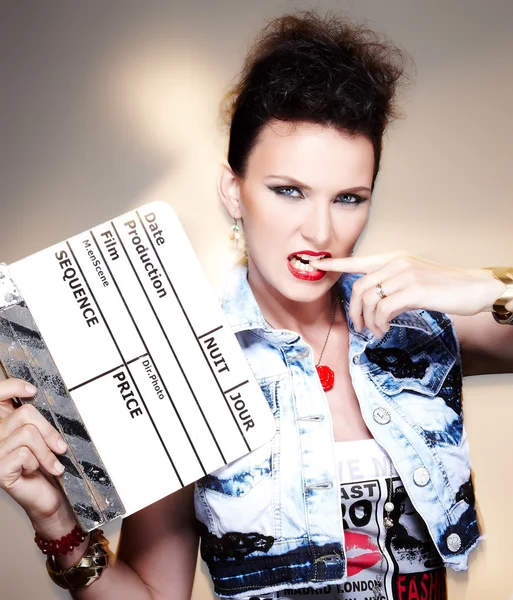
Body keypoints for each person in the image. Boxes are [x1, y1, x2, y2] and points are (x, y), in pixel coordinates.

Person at [0, 11, 512, 600]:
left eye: (349, 198)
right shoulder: (181, 368)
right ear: (232, 190)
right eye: (288, 191)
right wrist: (57, 524)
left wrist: (487, 287)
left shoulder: (416, 329)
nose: (319, 230)